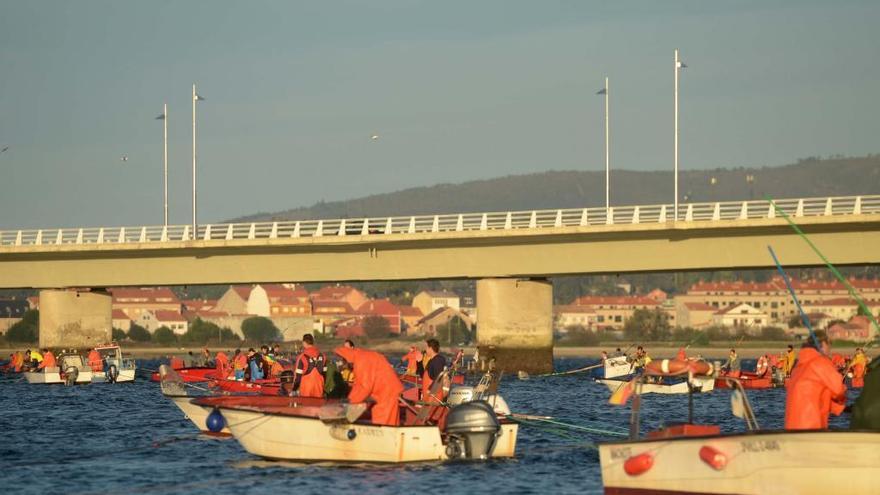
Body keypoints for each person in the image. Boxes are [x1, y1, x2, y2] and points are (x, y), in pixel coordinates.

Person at [784, 330, 846, 430]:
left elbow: (818, 395)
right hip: (811, 426)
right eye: (829, 344)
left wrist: (840, 408)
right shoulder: (820, 363)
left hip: (792, 428)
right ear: (822, 344)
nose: (830, 349)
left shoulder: (798, 367)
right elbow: (839, 390)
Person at [334, 346, 404, 426]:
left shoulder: (361, 360)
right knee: (385, 418)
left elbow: (364, 387)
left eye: (343, 360)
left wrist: (349, 402)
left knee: (384, 422)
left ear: (346, 358)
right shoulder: (361, 357)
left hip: (387, 392)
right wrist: (349, 400)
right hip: (386, 391)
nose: (342, 363)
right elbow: (359, 385)